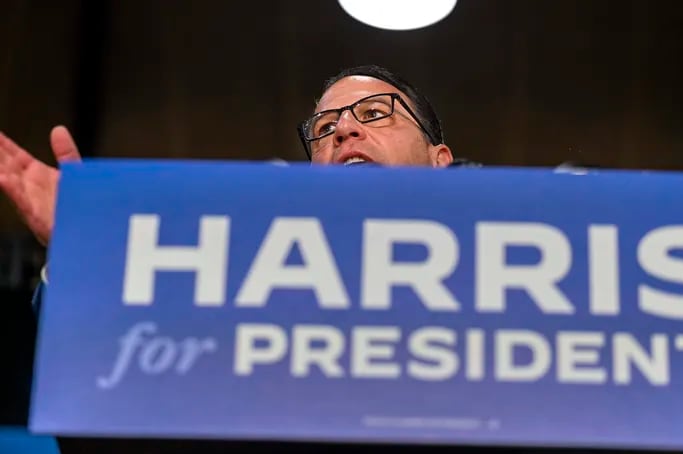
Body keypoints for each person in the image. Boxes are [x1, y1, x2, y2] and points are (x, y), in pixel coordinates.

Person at [0, 64, 463, 311]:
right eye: (324, 128)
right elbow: (102, 355)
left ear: (438, 161)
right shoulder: (241, 278)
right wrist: (78, 251)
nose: (342, 130)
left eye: (375, 113)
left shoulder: (518, 274)